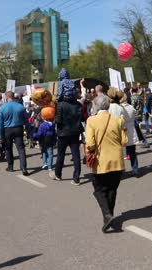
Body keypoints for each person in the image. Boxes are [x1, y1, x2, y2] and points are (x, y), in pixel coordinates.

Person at [86, 95, 128, 232]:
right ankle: (109, 216)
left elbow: (90, 144)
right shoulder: (117, 120)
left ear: (96, 106)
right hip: (117, 160)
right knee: (112, 189)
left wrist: (89, 150)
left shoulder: (91, 120)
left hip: (101, 161)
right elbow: (124, 141)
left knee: (99, 189)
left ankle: (107, 214)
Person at [51, 77, 83, 185]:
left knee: (61, 154)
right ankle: (76, 178)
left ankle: (58, 174)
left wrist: (54, 119)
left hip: (63, 133)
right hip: (75, 132)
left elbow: (58, 120)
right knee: (76, 155)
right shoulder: (78, 105)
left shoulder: (60, 105)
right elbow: (82, 118)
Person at [0, 92, 32, 175]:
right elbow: (26, 122)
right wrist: (29, 132)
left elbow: (0, 124)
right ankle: (24, 168)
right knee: (21, 149)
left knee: (8, 149)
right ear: (14, 97)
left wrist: (0, 136)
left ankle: (10, 166)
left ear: (6, 97)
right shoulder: (21, 107)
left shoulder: (2, 108)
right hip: (18, 129)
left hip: (7, 130)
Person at [120, 94, 140, 177]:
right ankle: (135, 169)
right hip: (131, 130)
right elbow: (135, 117)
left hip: (123, 130)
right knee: (132, 153)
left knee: (121, 153)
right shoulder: (131, 107)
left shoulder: (120, 108)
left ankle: (122, 170)